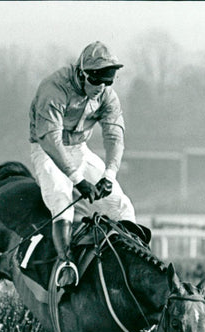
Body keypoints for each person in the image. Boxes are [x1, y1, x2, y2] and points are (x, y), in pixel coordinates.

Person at [29, 41, 137, 287]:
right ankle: (66, 264)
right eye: (97, 81)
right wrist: (78, 181)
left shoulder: (107, 95)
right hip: (47, 150)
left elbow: (114, 135)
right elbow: (51, 140)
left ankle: (131, 260)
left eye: (109, 82)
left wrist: (109, 175)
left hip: (79, 149)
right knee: (61, 199)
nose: (102, 88)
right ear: (82, 73)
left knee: (122, 205)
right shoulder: (53, 88)